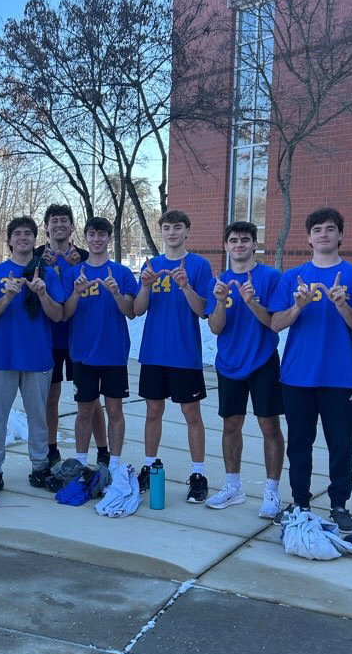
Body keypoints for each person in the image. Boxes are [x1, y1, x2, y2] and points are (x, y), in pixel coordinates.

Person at [270, 208, 352, 531]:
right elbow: (275, 323)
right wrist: (298, 306)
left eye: (330, 229)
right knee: (299, 443)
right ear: (309, 237)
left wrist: (343, 305)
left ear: (341, 235)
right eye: (318, 229)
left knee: (340, 445)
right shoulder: (293, 277)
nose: (324, 234)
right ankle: (299, 501)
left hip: (340, 376)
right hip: (298, 375)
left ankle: (339, 503)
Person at [0, 216, 65, 496]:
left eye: (28, 233)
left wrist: (42, 295)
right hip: (3, 355)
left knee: (38, 416)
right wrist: (6, 296)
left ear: (34, 239)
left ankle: (39, 466)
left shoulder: (47, 273)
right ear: (9, 240)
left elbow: (59, 314)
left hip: (37, 355)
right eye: (17, 234)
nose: (23, 238)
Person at [204, 221, 284, 518]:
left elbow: (273, 322)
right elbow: (215, 327)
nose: (239, 244)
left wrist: (251, 302)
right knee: (231, 425)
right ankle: (233, 486)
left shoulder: (270, 277)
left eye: (245, 240)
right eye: (234, 240)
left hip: (263, 360)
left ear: (254, 245)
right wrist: (222, 302)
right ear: (226, 246)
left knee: (269, 426)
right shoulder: (219, 280)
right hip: (229, 362)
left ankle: (272, 492)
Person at [133, 209, 213, 503]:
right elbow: (138, 310)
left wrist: (185, 286)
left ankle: (198, 474)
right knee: (153, 412)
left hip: (184, 353)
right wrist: (144, 286)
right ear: (161, 232)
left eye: (177, 227)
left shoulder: (199, 265)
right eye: (167, 227)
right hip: (154, 352)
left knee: (192, 414)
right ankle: (149, 463)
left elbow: (204, 309)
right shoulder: (151, 265)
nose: (172, 232)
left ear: (187, 231)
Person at [34, 203, 108, 467]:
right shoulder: (36, 257)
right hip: (48, 339)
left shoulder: (86, 257)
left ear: (72, 226)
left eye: (64, 220)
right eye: (54, 220)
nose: (59, 225)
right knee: (51, 398)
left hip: (81, 339)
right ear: (46, 226)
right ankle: (52, 448)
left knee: (90, 400)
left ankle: (102, 449)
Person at [63, 217, 138, 468]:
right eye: (92, 234)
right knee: (84, 411)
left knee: (115, 411)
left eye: (101, 235)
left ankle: (114, 463)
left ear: (109, 238)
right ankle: (81, 463)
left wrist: (116, 292)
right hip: (83, 354)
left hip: (114, 353)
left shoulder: (122, 273)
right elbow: (64, 313)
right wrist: (76, 292)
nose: (96, 239)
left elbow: (131, 311)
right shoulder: (74, 273)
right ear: (86, 237)